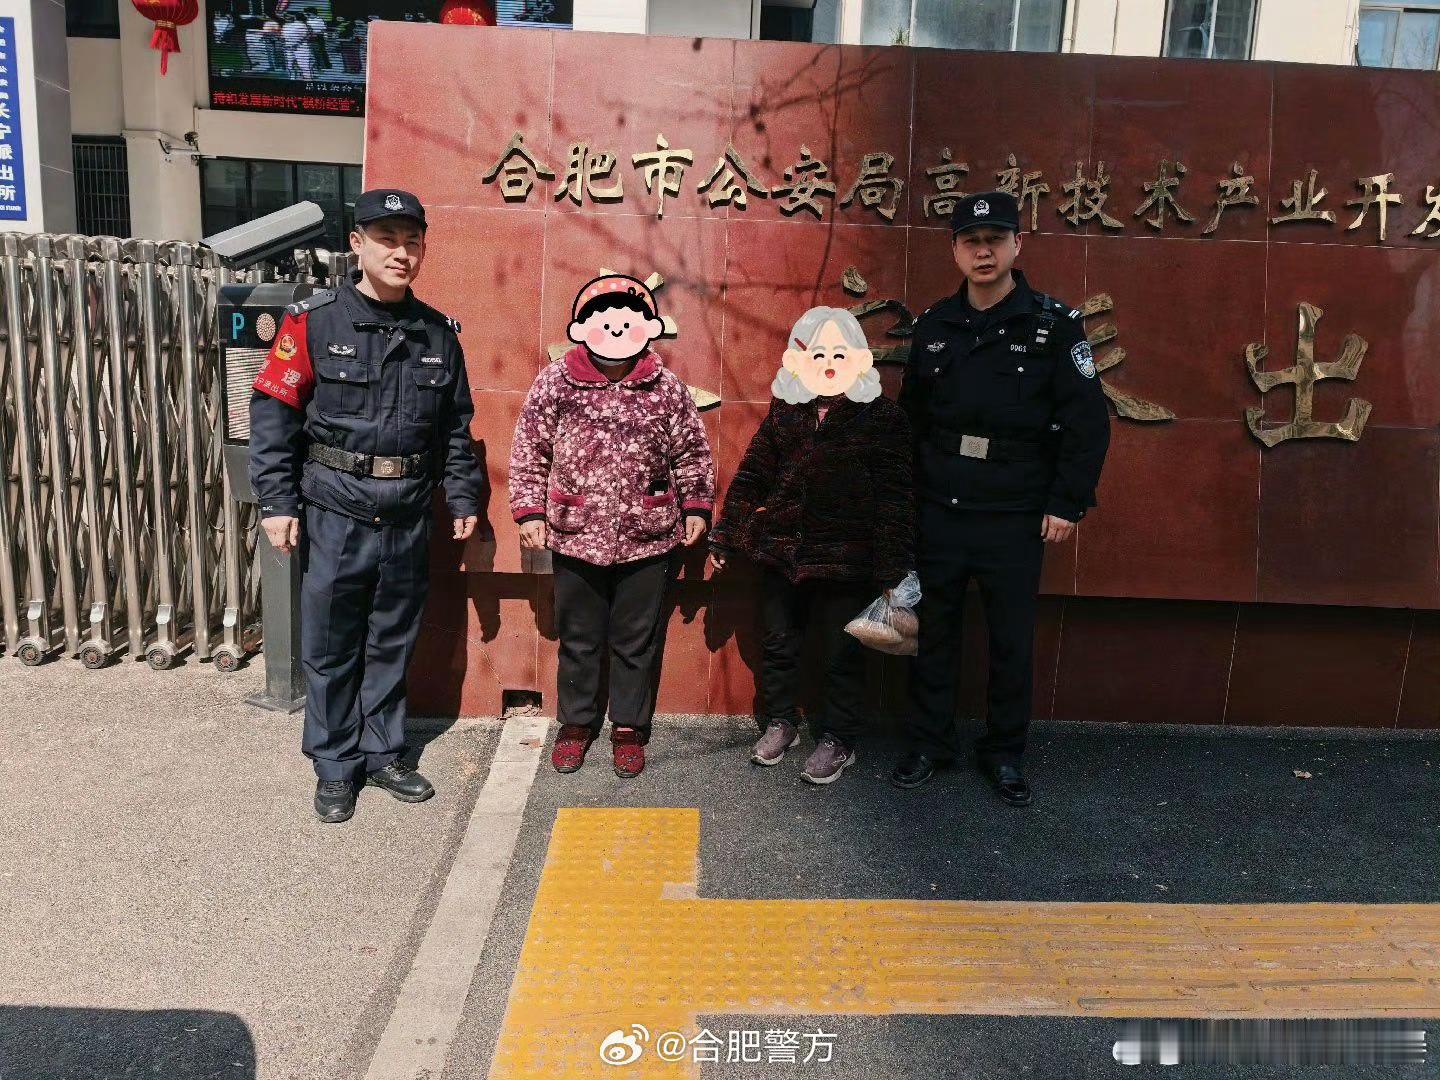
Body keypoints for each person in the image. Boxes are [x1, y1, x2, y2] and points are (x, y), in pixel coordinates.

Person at [249, 188, 484, 824]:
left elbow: (455, 427)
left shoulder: (438, 334)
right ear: (357, 245)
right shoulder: (313, 321)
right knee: (330, 645)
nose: (400, 253)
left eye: (412, 242)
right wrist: (276, 501)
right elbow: (274, 416)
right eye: (386, 240)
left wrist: (463, 492)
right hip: (335, 511)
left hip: (407, 513)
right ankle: (334, 764)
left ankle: (383, 752)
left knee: (391, 641)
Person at [892, 190, 1110, 807]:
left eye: (995, 240)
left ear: (1017, 244)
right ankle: (930, 743)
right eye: (971, 241)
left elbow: (1087, 422)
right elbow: (911, 420)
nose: (983, 252)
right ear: (955, 250)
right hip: (941, 504)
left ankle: (1005, 752)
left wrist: (1067, 503)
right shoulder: (935, 325)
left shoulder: (1053, 324)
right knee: (933, 633)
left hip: (1014, 512)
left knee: (1011, 640)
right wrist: (903, 502)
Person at [509, 275, 716, 780]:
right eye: (604, 319)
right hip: (575, 532)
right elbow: (530, 449)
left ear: (646, 326)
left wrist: (696, 506)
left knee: (636, 640)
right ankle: (576, 724)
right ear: (583, 327)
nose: (617, 328)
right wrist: (530, 512)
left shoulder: (665, 388)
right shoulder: (557, 381)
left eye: (628, 319)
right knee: (579, 638)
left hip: (649, 535)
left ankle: (628, 727)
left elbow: (691, 451)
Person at [709, 306, 913, 785]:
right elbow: (754, 473)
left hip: (847, 557)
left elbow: (896, 496)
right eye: (818, 354)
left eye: (839, 354)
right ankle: (781, 721)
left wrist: (893, 569)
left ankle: (839, 738)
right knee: (779, 642)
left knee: (842, 653)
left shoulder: (882, 417)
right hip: (783, 552)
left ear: (858, 358)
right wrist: (726, 532)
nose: (828, 363)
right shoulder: (788, 410)